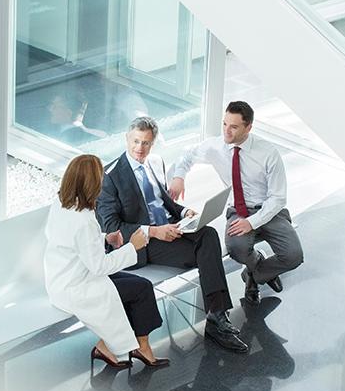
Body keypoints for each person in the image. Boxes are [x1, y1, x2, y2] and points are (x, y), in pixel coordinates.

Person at [96, 117, 249, 354]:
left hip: (170, 227)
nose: (140, 148)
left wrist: (184, 211)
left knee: (207, 234)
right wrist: (155, 231)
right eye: (136, 141)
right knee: (205, 250)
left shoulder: (155, 163)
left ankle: (217, 315)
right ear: (127, 139)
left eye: (146, 143)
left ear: (153, 143)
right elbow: (111, 225)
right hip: (142, 242)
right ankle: (217, 320)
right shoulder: (110, 176)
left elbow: (163, 203)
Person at [169, 101, 303, 305]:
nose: (226, 131)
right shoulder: (216, 146)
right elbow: (187, 156)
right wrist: (179, 177)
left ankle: (254, 275)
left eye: (233, 127)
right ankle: (259, 266)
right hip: (238, 211)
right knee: (236, 248)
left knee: (294, 256)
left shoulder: (268, 153)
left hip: (269, 210)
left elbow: (278, 198)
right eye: (224, 124)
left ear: (248, 127)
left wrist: (252, 222)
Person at [44, 154, 170, 370]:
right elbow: (99, 266)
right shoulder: (83, 220)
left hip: (64, 278)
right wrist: (134, 246)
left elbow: (74, 243)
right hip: (77, 286)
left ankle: (107, 346)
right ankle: (141, 346)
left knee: (133, 286)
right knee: (142, 288)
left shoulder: (63, 203)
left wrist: (104, 238)